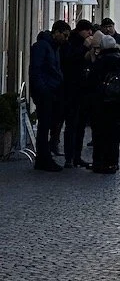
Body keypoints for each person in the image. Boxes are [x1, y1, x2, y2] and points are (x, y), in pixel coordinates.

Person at [29, 20, 71, 171]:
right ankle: (43, 158)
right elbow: (36, 70)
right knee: (44, 126)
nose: (66, 39)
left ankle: (45, 156)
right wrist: (43, 90)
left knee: (49, 124)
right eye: (64, 35)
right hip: (46, 92)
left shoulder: (54, 47)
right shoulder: (42, 47)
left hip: (52, 91)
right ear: (57, 32)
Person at [86, 32, 120, 174]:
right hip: (117, 104)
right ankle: (112, 163)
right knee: (113, 137)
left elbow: (91, 80)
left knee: (100, 134)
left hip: (102, 104)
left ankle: (100, 162)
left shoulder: (101, 61)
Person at [61, 19, 94, 167]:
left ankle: (77, 156)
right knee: (72, 124)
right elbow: (69, 60)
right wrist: (84, 48)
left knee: (80, 125)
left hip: (83, 89)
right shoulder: (71, 42)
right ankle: (70, 156)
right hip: (71, 89)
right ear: (81, 30)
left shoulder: (82, 42)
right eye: (88, 31)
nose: (90, 34)